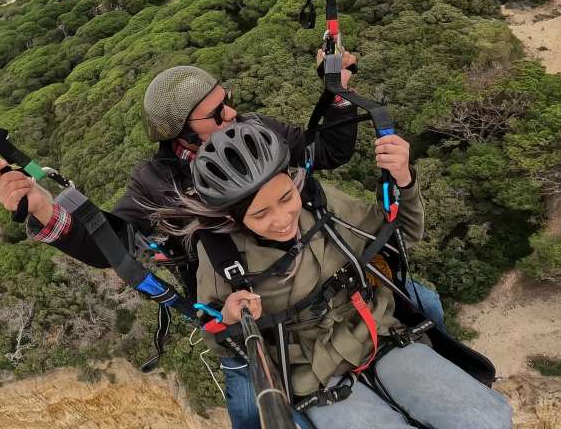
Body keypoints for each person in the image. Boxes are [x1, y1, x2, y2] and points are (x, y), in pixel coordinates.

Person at [0, 61, 447, 427]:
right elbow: (118, 242)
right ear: (181, 135)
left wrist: (340, 97)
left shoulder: (256, 133)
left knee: (422, 304)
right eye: (216, 114)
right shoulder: (160, 183)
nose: (232, 115)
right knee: (255, 408)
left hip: (320, 274)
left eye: (228, 102)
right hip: (240, 306)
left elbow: (321, 152)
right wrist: (49, 213)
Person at [155, 120, 512, 429]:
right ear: (234, 219)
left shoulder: (319, 204)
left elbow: (399, 233)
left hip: (380, 336)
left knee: (489, 419)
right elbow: (219, 337)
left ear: (292, 181)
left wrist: (404, 179)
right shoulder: (222, 256)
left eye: (284, 197)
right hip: (313, 377)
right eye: (260, 214)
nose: (281, 220)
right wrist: (230, 318)